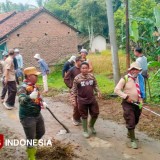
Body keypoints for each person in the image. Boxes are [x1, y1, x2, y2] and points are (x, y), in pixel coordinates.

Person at [17, 67, 47, 160]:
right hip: (27, 116)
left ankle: (33, 147)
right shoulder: (22, 87)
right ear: (29, 76)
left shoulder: (34, 85)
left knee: (41, 132)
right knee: (31, 138)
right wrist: (29, 97)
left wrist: (43, 102)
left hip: (37, 114)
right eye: (35, 75)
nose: (37, 77)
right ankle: (31, 156)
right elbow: (21, 100)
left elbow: (38, 96)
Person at [114, 62, 145, 149]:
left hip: (138, 103)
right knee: (130, 120)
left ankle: (130, 131)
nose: (135, 71)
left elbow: (142, 90)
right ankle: (133, 140)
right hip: (128, 103)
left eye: (137, 69)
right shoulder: (125, 78)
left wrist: (141, 99)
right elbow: (116, 90)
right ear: (130, 70)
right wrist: (126, 97)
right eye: (133, 69)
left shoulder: (140, 78)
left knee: (136, 119)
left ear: (139, 71)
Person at [71, 62, 101, 138]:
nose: (84, 70)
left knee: (95, 113)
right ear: (80, 69)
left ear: (88, 69)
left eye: (86, 68)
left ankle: (91, 125)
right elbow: (74, 90)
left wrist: (98, 91)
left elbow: (95, 84)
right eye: (83, 68)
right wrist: (74, 100)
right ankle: (85, 130)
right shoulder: (77, 78)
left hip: (92, 99)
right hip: (82, 100)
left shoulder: (91, 76)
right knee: (84, 116)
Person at [64, 56, 82, 126]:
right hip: (74, 91)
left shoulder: (82, 69)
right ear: (77, 61)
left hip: (82, 90)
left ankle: (78, 118)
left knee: (81, 105)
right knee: (76, 105)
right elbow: (66, 79)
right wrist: (71, 86)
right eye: (81, 61)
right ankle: (75, 118)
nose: (82, 62)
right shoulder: (72, 69)